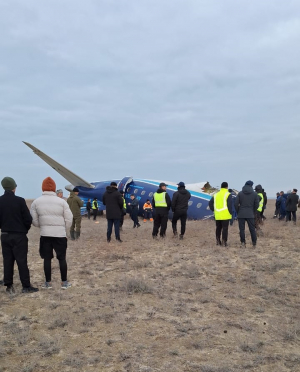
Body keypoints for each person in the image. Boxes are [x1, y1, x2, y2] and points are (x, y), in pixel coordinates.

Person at [30, 177, 73, 289]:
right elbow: (69, 218)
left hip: (45, 235)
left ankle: (47, 283)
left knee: (47, 259)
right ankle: (64, 282)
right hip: (60, 235)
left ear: (42, 188)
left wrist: (43, 226)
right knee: (62, 258)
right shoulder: (62, 202)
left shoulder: (36, 202)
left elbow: (34, 220)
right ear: (54, 188)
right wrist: (64, 229)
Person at [0, 177, 38, 294]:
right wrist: (24, 230)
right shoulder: (20, 201)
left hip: (5, 235)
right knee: (21, 261)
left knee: (7, 260)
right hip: (19, 236)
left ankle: (8, 285)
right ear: (13, 187)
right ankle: (26, 286)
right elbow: (28, 219)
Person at [235, 180, 259, 247]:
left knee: (242, 230)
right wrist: (253, 211)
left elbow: (236, 204)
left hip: (241, 214)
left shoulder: (240, 193)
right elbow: (257, 204)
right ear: (251, 186)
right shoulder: (254, 194)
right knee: (252, 229)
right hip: (250, 214)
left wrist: (238, 211)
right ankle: (254, 243)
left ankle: (243, 243)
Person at [209, 182, 232, 247]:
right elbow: (229, 205)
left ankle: (218, 242)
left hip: (217, 215)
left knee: (218, 228)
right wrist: (230, 213)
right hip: (225, 215)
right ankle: (224, 242)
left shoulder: (216, 195)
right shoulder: (228, 194)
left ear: (221, 187)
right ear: (227, 187)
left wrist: (214, 210)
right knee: (225, 229)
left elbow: (210, 203)